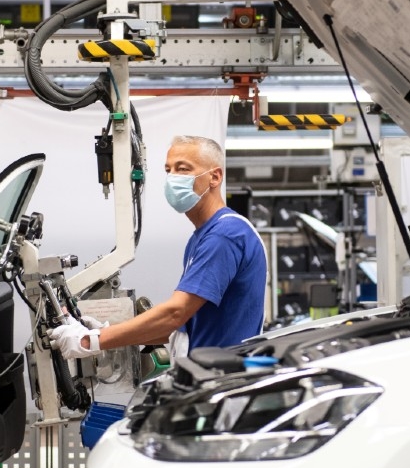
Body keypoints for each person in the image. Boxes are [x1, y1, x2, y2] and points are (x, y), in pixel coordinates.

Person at [49, 135, 267, 359]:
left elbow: (175, 313)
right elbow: (174, 328)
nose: (173, 177)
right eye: (168, 170)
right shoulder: (202, 237)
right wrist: (102, 332)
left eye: (183, 169)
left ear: (215, 177)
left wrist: (89, 341)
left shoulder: (225, 235)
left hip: (223, 381)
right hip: (205, 375)